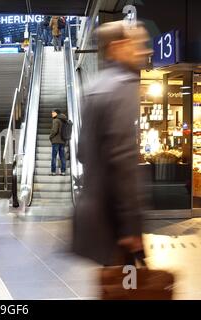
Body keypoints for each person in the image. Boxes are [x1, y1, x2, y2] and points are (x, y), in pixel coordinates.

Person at [73, 21, 153, 267]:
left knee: (115, 287)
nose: (144, 51)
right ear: (118, 45)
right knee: (129, 286)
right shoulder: (122, 87)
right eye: (138, 44)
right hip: (118, 222)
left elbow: (82, 152)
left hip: (96, 217)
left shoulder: (94, 86)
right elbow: (123, 162)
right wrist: (131, 226)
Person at [49, 109, 67, 176]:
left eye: (53, 112)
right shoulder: (64, 120)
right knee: (62, 157)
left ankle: (53, 172)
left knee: (54, 157)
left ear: (57, 113)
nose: (52, 114)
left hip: (56, 141)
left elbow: (54, 131)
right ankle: (63, 171)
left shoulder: (56, 120)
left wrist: (50, 136)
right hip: (62, 141)